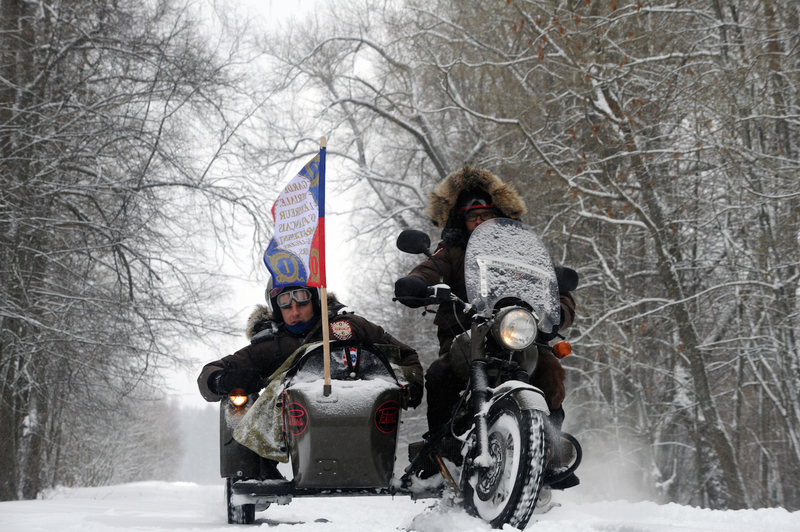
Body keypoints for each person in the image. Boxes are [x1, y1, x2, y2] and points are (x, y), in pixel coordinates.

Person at [394, 165, 578, 487]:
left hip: (520, 337)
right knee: (439, 375)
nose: (480, 221)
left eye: (486, 214)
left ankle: (550, 451)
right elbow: (428, 269)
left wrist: (560, 310)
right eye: (472, 216)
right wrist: (416, 284)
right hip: (467, 336)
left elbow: (555, 287)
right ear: (460, 221)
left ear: (500, 215)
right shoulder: (451, 251)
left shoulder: (523, 253)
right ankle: (441, 454)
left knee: (550, 368)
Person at [198, 283, 424, 475]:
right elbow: (210, 371)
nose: (295, 311)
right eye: (286, 304)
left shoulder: (351, 326)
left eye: (302, 302)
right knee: (236, 402)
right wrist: (222, 380)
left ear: (316, 300)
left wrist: (413, 382)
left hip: (363, 416)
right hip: (296, 424)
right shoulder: (268, 346)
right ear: (276, 310)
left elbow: (405, 354)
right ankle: (251, 474)